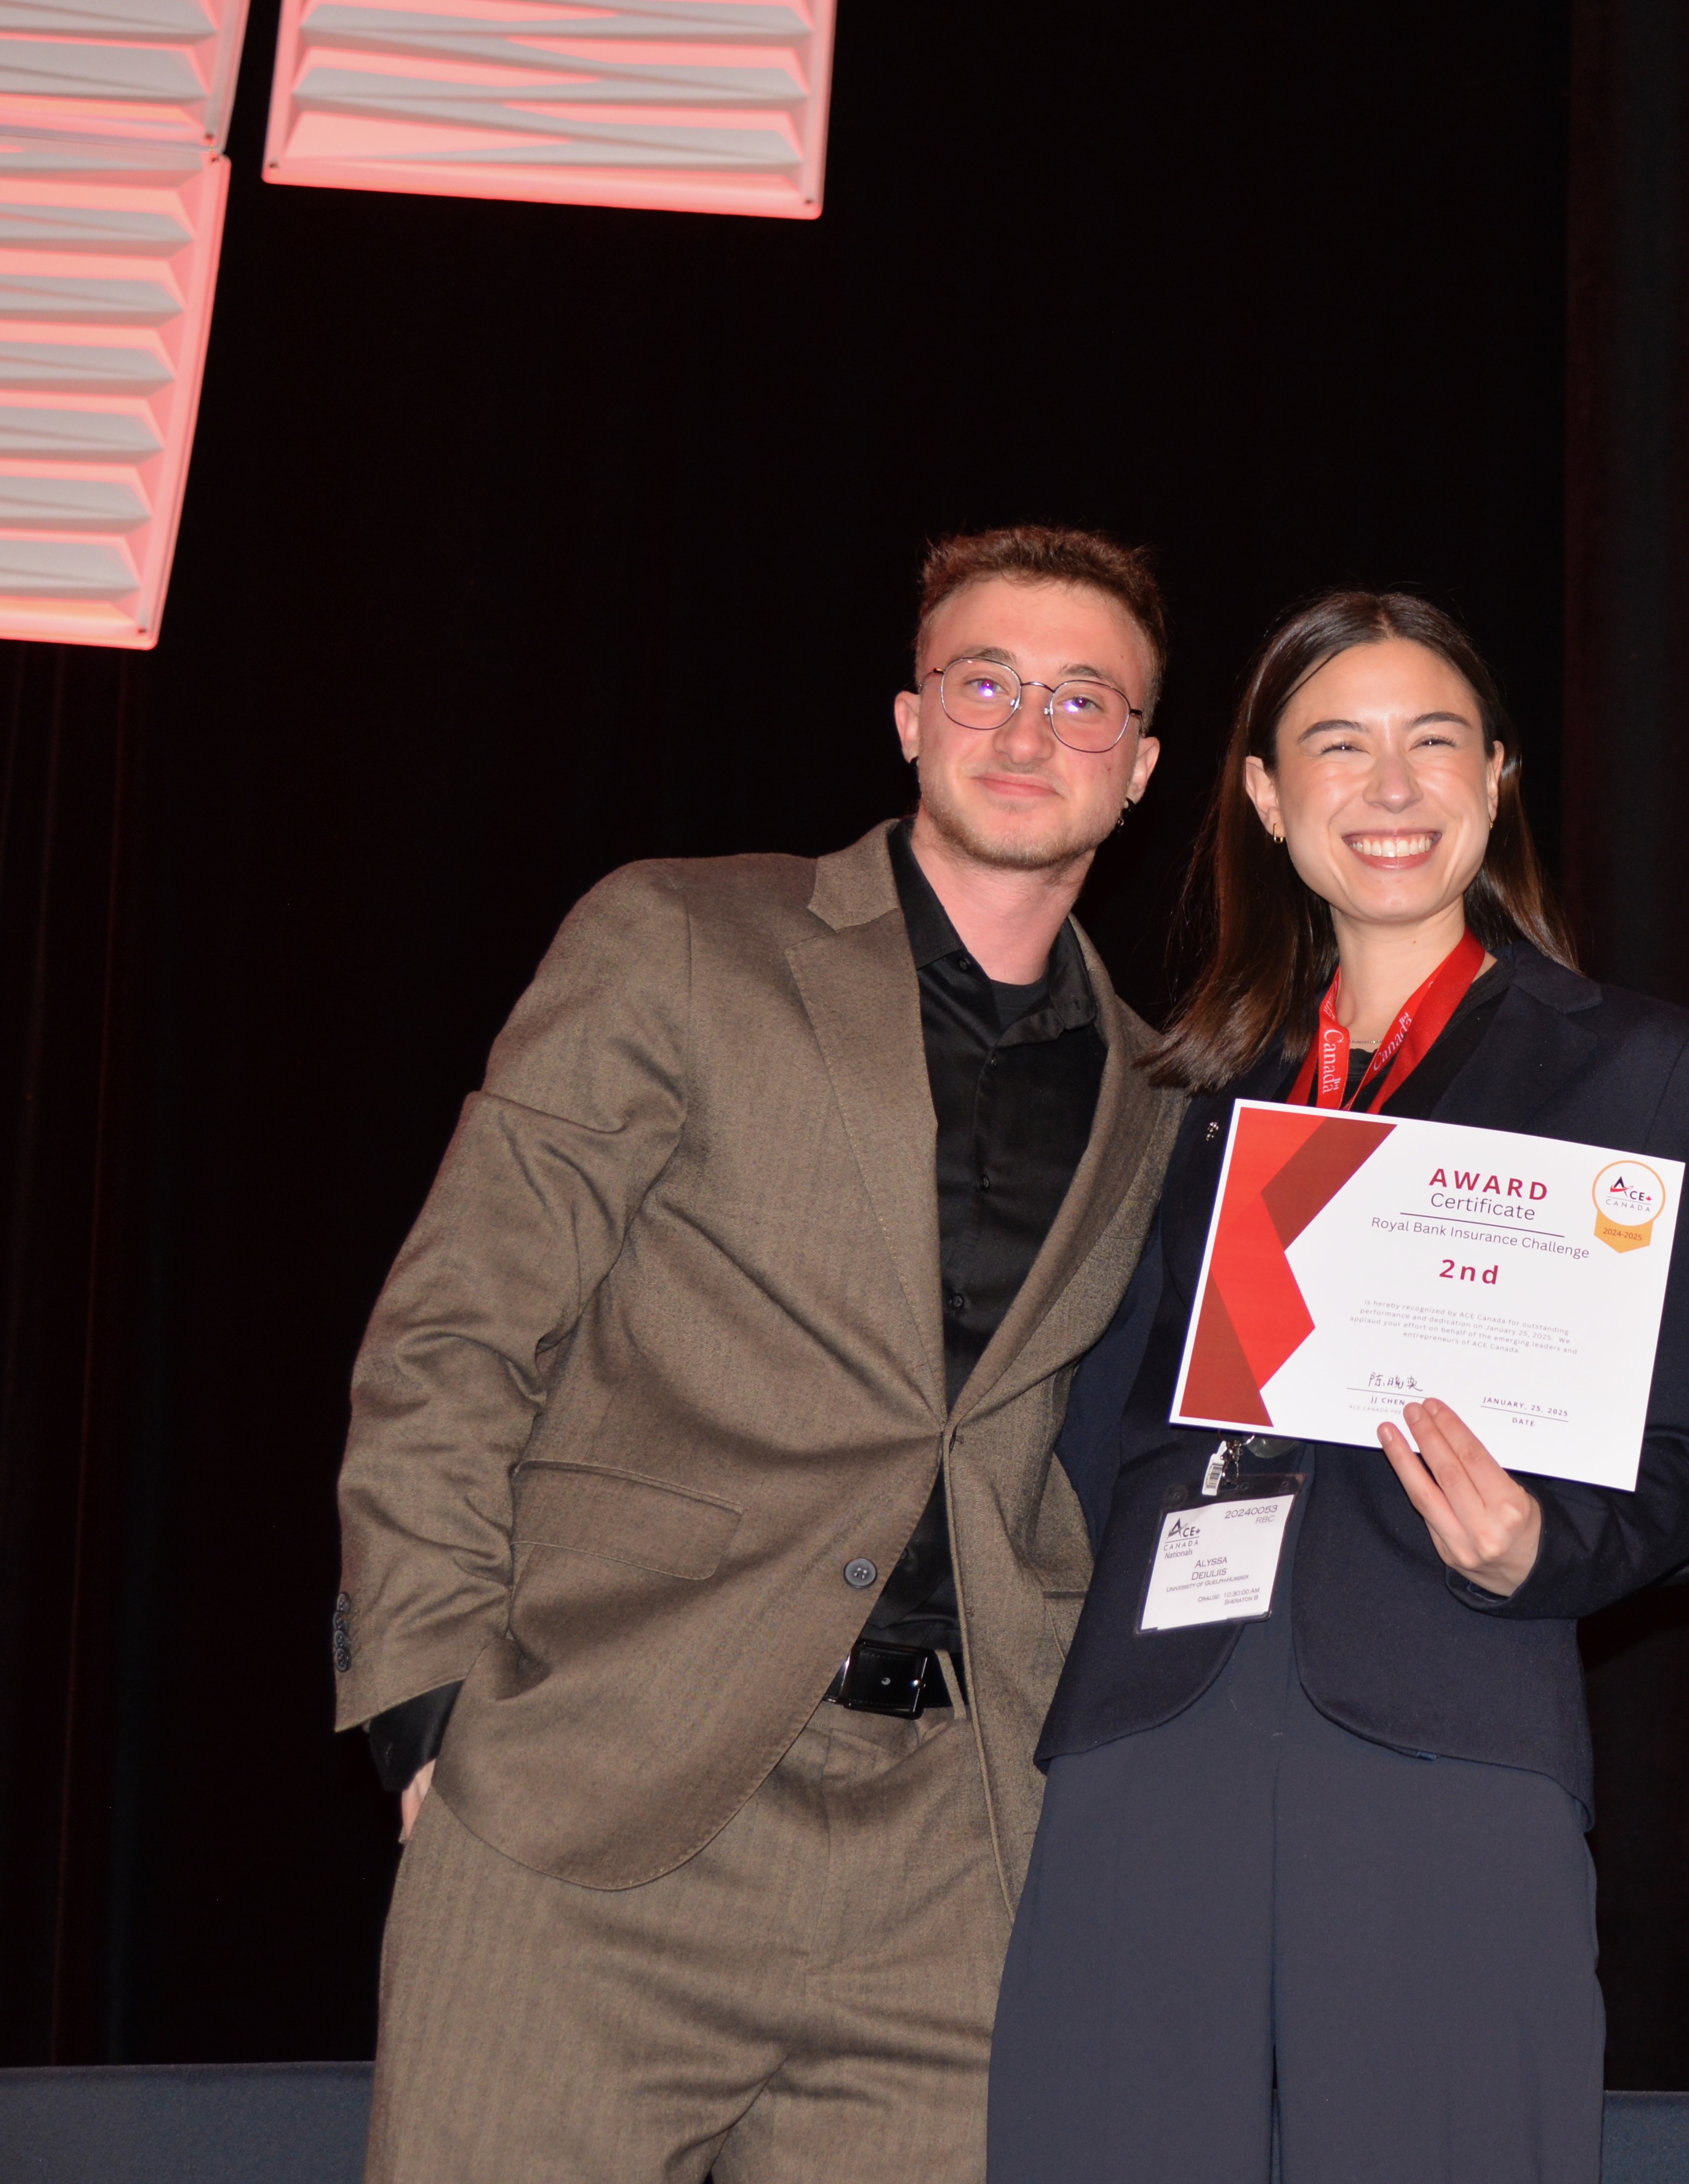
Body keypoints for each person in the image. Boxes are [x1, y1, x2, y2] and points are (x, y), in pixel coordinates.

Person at [331, 526, 1187, 2182]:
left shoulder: (1167, 1099)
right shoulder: (681, 940)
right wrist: (429, 1705)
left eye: (1087, 701)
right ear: (909, 720)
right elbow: (455, 1326)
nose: (1030, 731)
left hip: (958, 1868)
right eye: (987, 682)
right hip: (608, 1803)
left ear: (1143, 767)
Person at [989, 592, 1689, 2184]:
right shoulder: (1173, 1087)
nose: (1389, 789)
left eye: (1432, 743)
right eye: (1339, 745)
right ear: (1265, 795)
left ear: (1498, 775)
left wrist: (1544, 1549)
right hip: (1152, 1731)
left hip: (1445, 1728)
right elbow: (1082, 1422)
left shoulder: (1643, 1067)